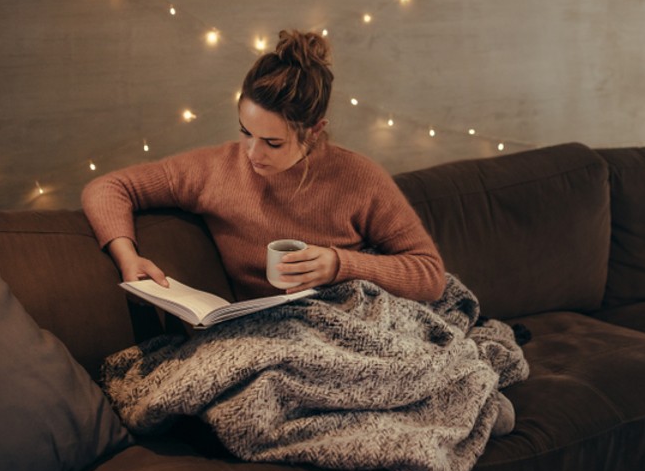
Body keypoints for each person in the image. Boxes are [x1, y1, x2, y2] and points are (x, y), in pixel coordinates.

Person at [82, 29, 446, 303]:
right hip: (267, 334)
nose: (253, 153)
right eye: (246, 132)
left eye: (273, 143)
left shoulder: (359, 178)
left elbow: (430, 276)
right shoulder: (214, 169)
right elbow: (108, 188)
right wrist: (127, 257)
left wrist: (340, 265)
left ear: (315, 131)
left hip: (351, 320)